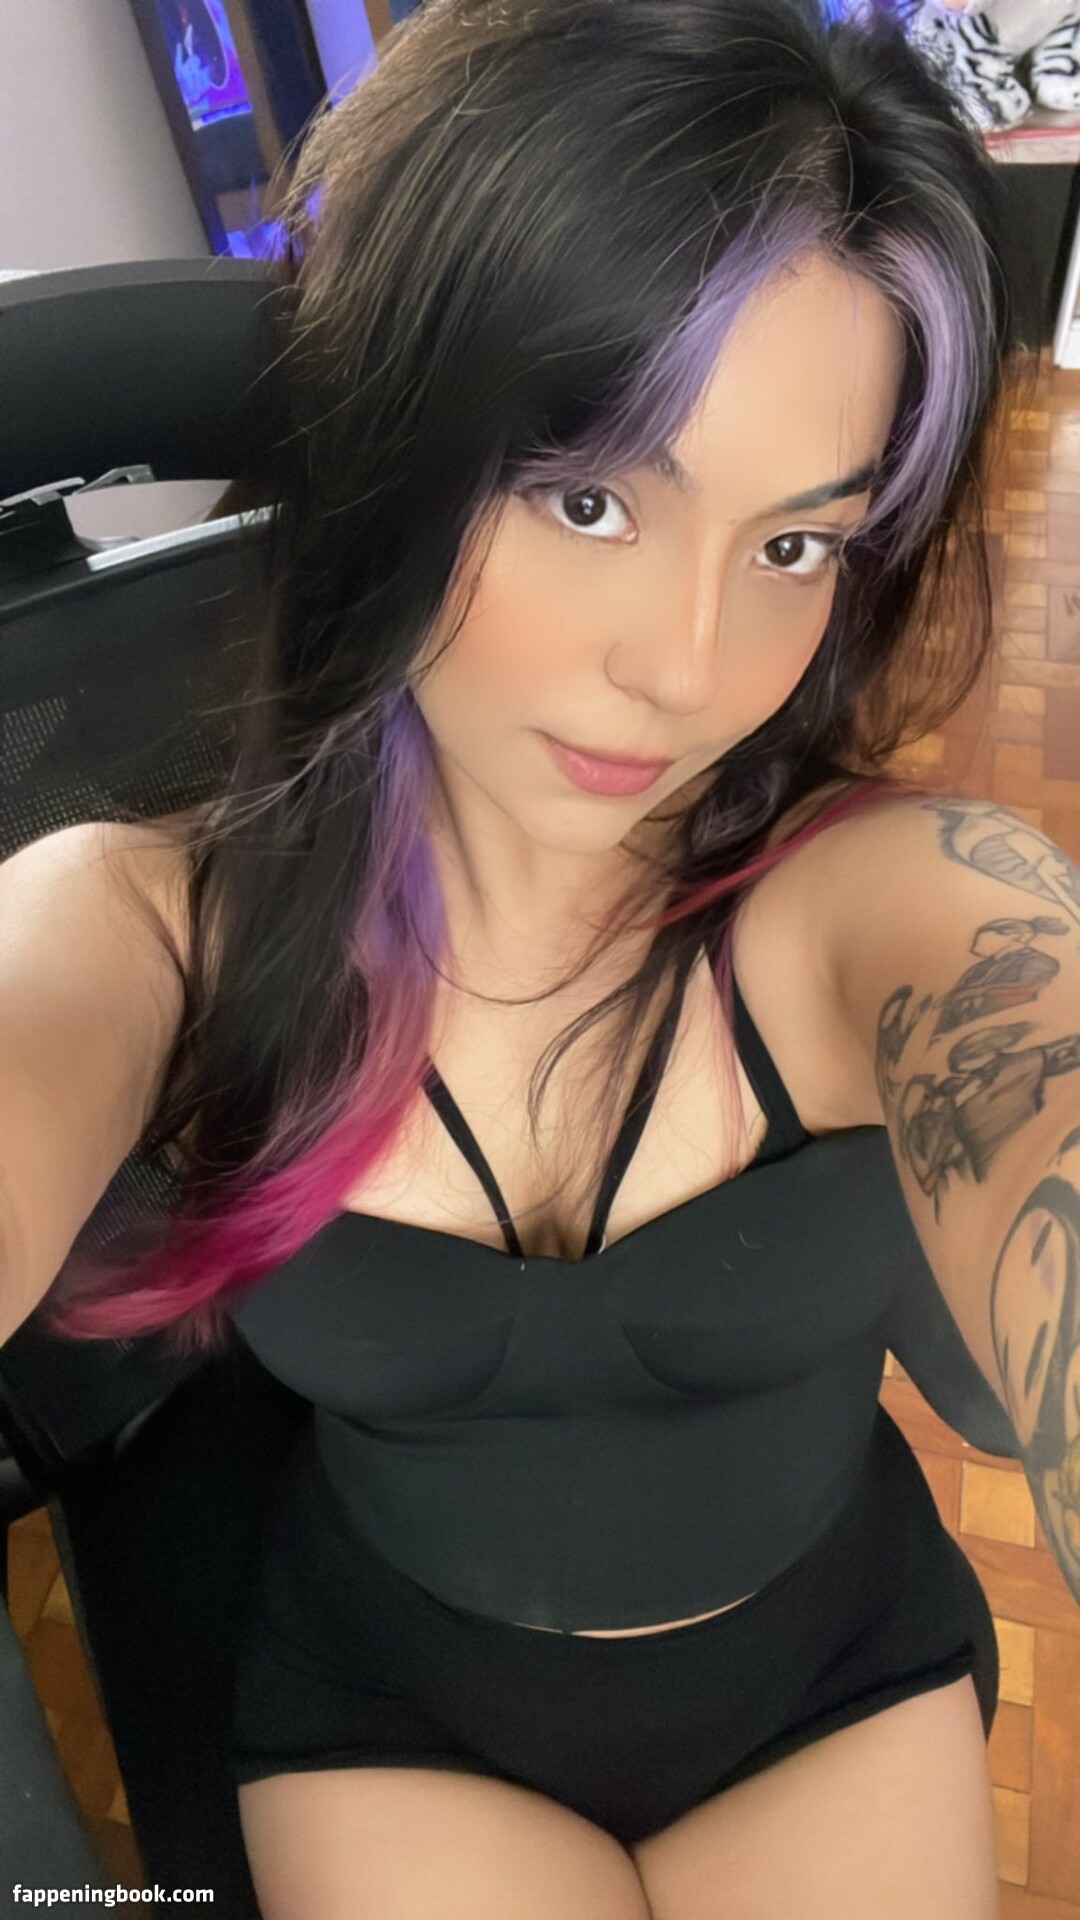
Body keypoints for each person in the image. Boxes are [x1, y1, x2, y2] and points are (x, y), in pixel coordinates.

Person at [2, 0, 1076, 1913]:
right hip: (390, 1714)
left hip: (828, 1682)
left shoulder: (891, 903)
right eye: (590, 498)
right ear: (387, 447)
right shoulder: (145, 929)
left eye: (795, 546)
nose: (690, 667)